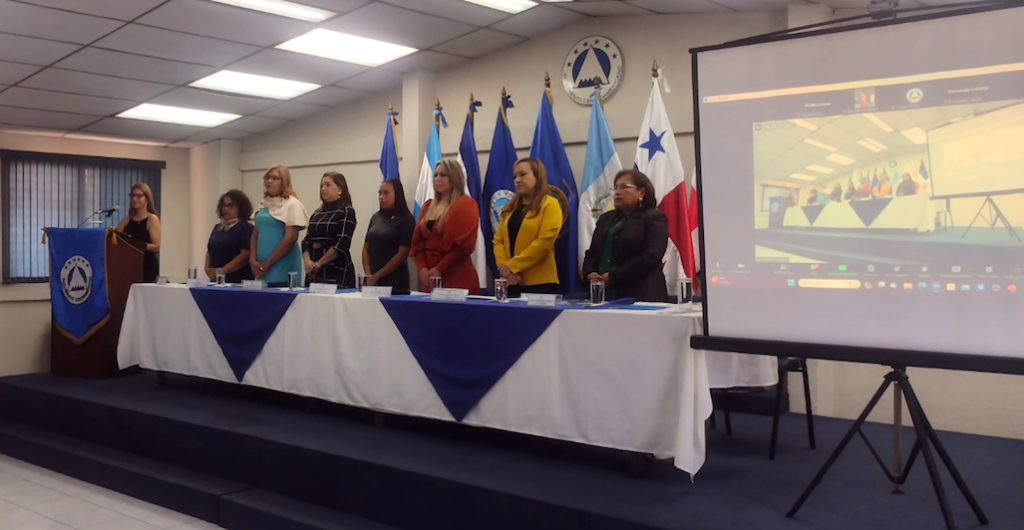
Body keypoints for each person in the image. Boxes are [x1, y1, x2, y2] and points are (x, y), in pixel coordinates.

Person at [581, 169, 669, 303]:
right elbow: (592, 253)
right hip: (602, 294)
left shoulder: (654, 218)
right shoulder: (606, 218)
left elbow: (650, 256)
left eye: (624, 187)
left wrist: (613, 276)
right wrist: (589, 273)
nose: (617, 192)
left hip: (639, 295)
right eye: (615, 187)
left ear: (641, 192)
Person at [493, 158, 562, 298]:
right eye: (515, 176)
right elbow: (498, 240)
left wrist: (512, 266)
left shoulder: (550, 204)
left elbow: (543, 243)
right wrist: (506, 271)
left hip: (540, 284)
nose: (517, 180)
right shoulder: (509, 208)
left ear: (537, 176)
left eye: (523, 174)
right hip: (511, 282)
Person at [411, 158, 480, 294]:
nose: (438, 179)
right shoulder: (428, 206)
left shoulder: (466, 205)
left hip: (456, 273)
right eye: (435, 175)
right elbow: (418, 243)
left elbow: (463, 246)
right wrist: (422, 268)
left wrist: (439, 269)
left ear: (455, 177)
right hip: (429, 276)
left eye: (443, 175)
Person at [250, 165, 307, 287]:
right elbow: (255, 234)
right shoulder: (264, 203)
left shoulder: (292, 203)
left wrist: (268, 263)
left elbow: (290, 238)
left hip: (281, 264)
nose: (270, 181)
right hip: (261, 266)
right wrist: (252, 260)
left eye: (275, 178)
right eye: (268, 177)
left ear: (284, 181)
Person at [301, 172, 356, 287]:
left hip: (336, 271)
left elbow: (341, 244)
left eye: (328, 185)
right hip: (313, 272)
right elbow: (306, 241)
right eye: (322, 185)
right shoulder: (317, 213)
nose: (323, 189)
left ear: (340, 188)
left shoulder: (346, 211)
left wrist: (319, 264)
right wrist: (307, 262)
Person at [363, 179, 415, 294]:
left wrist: (378, 276)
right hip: (372, 280)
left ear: (397, 194)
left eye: (386, 193)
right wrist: (369, 275)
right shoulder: (376, 217)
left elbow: (402, 254)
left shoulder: (406, 219)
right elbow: (366, 248)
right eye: (380, 193)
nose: (381, 197)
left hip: (395, 281)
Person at [205, 190, 254, 283]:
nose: (226, 209)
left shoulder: (245, 227)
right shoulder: (218, 227)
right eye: (224, 205)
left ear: (240, 208)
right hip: (216, 280)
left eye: (231, 206)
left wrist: (222, 271)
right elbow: (209, 250)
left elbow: (245, 255)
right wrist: (207, 269)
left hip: (236, 280)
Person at [116, 183, 161, 283]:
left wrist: (138, 245)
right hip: (130, 265)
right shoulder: (128, 219)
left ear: (147, 199)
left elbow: (157, 246)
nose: (134, 199)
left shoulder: (152, 219)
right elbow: (116, 236)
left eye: (139, 196)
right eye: (132, 195)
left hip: (147, 265)